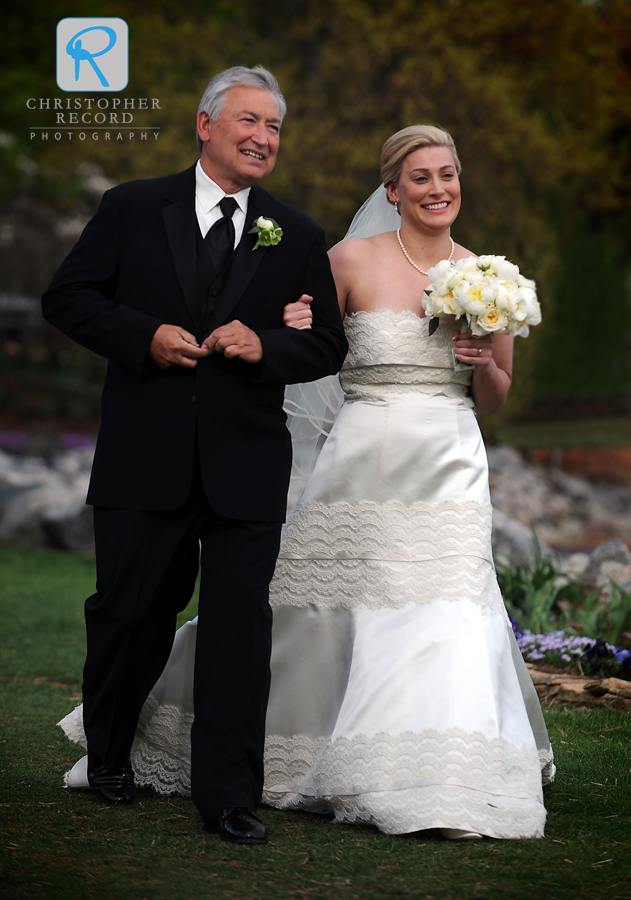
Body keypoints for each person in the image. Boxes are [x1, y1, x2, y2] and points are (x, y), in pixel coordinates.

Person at [60, 124, 554, 840]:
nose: (437, 188)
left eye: (447, 174)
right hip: (362, 454)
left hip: (449, 458)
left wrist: (481, 361)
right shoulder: (346, 260)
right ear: (391, 190)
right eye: (419, 177)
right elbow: (302, 334)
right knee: (313, 608)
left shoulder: (489, 275)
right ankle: (219, 741)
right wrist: (284, 320)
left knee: (445, 608)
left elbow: (497, 395)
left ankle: (436, 773)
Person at [43, 65, 347, 845]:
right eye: (249, 121)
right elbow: (68, 297)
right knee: (129, 615)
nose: (263, 138)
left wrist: (266, 342)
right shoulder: (132, 207)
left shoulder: (297, 232)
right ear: (205, 124)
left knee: (240, 633)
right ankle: (109, 756)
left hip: (246, 465)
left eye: (274, 126)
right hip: (145, 456)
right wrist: (140, 336)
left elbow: (325, 345)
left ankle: (226, 796)